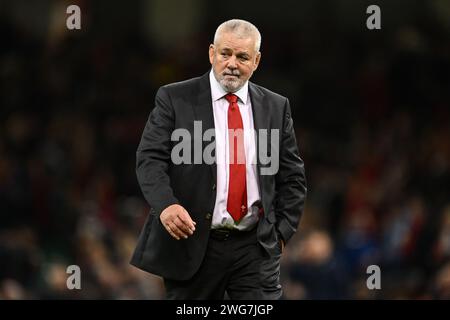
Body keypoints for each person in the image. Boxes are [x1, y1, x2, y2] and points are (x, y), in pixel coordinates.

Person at [130, 19, 307, 300]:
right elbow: (150, 159)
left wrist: (281, 233)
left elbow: (293, 176)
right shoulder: (174, 98)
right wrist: (165, 205)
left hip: (254, 246)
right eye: (225, 53)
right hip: (193, 243)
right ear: (212, 53)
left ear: (257, 61)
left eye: (243, 56)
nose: (232, 63)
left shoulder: (276, 106)